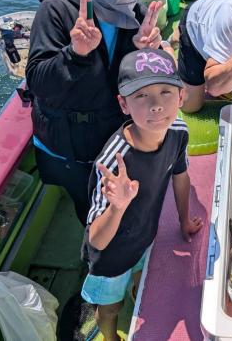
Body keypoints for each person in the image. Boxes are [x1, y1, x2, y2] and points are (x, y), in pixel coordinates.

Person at [26, 0, 165, 225]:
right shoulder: (57, 10)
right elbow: (38, 82)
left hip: (117, 138)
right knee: (89, 210)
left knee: (124, 206)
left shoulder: (138, 15)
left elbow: (145, 88)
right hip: (71, 148)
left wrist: (148, 55)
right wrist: (75, 54)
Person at [81, 48, 203, 341]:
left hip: (146, 234)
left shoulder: (178, 131)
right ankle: (110, 336)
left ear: (181, 96)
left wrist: (184, 220)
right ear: (123, 104)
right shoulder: (113, 162)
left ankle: (138, 291)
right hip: (111, 255)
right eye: (141, 96)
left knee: (142, 275)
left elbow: (180, 175)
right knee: (111, 307)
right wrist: (117, 207)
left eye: (165, 92)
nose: (156, 105)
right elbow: (96, 240)